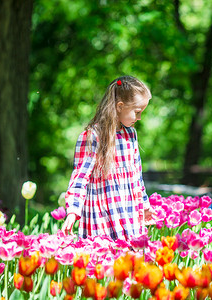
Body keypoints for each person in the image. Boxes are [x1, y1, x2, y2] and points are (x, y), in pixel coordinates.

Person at [61, 75, 155, 239]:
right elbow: (80, 177)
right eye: (137, 112)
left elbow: (137, 177)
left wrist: (145, 206)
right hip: (102, 216)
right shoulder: (92, 136)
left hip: (128, 213)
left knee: (127, 260)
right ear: (120, 106)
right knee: (103, 260)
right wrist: (73, 211)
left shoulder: (130, 134)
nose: (139, 118)